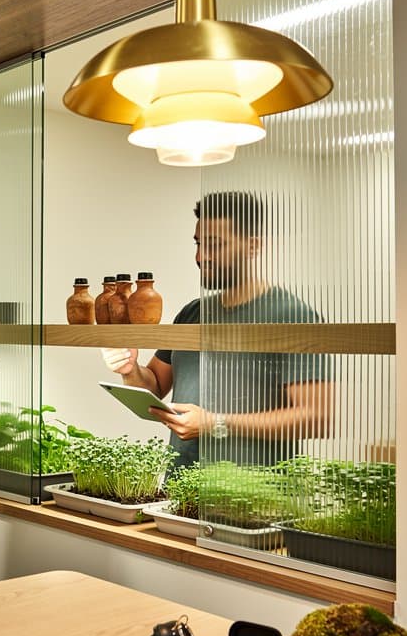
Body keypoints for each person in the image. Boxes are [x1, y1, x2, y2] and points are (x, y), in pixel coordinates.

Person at [103, 191, 332, 470]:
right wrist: (130, 369)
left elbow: (320, 417)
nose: (201, 256)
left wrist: (216, 423)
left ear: (253, 246)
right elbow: (155, 385)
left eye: (215, 245)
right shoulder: (192, 314)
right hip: (184, 489)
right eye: (199, 244)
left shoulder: (293, 316)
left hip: (258, 498)